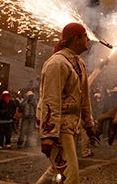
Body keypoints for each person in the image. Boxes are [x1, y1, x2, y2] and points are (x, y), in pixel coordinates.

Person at [36, 22, 95, 183]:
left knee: (57, 168)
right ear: (76, 39)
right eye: (85, 36)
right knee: (71, 175)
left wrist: (88, 124)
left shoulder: (79, 64)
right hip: (58, 126)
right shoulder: (57, 63)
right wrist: (49, 134)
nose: (88, 38)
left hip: (70, 125)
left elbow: (84, 98)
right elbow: (51, 99)